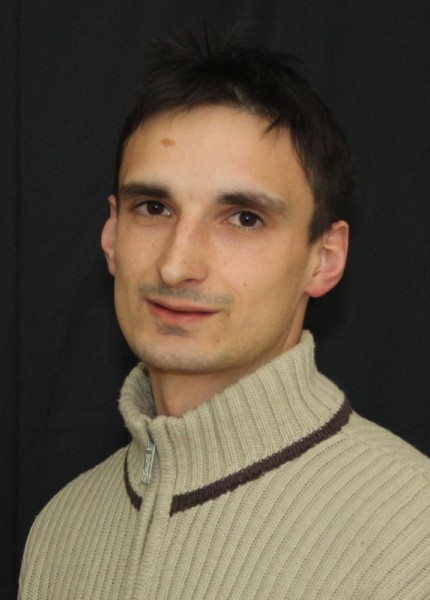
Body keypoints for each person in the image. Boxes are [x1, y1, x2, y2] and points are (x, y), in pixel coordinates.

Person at [19, 26, 430, 600]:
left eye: (243, 218)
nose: (176, 266)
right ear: (111, 235)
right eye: (153, 207)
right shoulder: (59, 532)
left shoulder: (412, 539)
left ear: (324, 258)